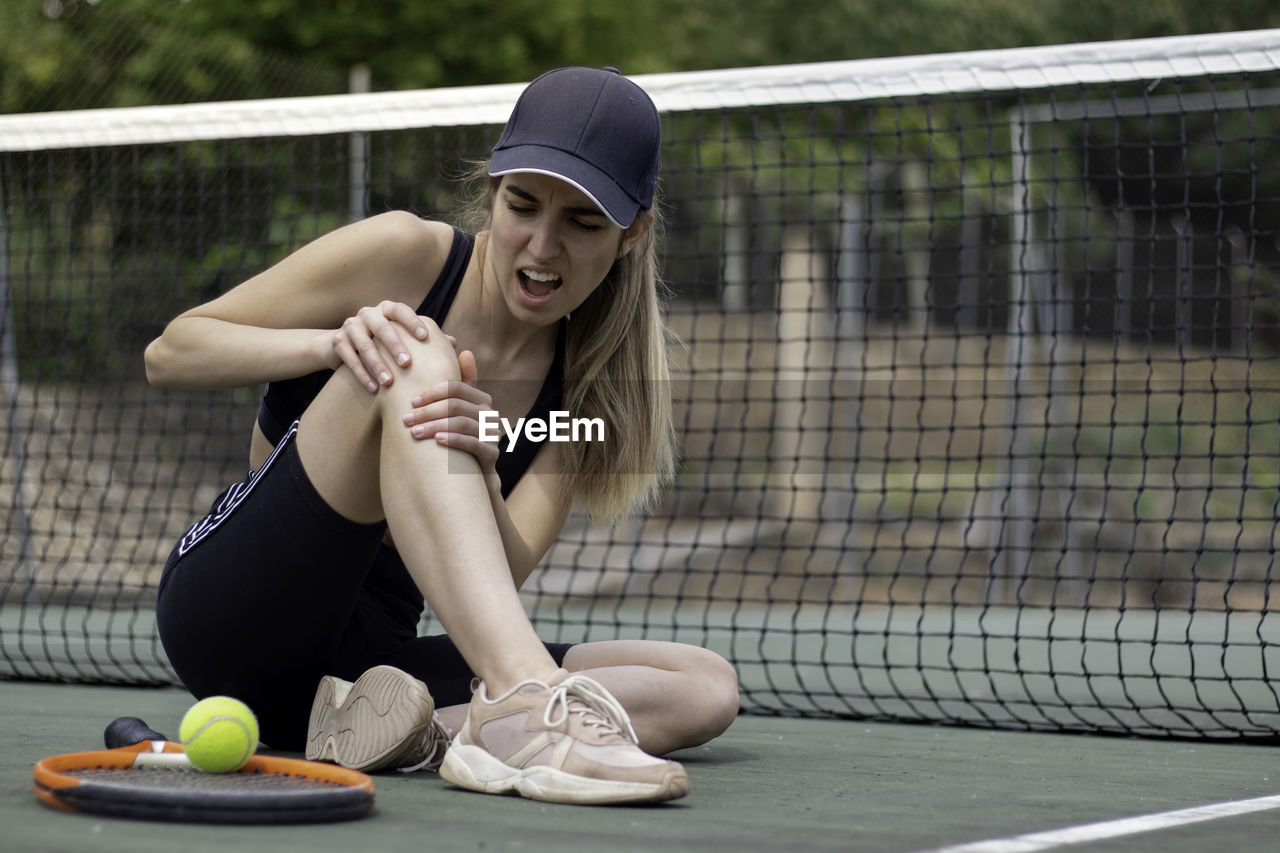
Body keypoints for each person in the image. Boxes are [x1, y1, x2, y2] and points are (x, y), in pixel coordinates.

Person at [145, 66, 739, 805]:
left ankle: (423, 733)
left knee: (704, 686)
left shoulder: (589, 392)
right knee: (415, 347)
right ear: (492, 189)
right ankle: (525, 707)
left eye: (583, 222)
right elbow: (171, 351)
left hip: (367, 675)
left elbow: (498, 580)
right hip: (235, 612)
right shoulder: (406, 255)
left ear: (631, 234)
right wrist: (335, 345)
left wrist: (483, 474)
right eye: (523, 205)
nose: (543, 245)